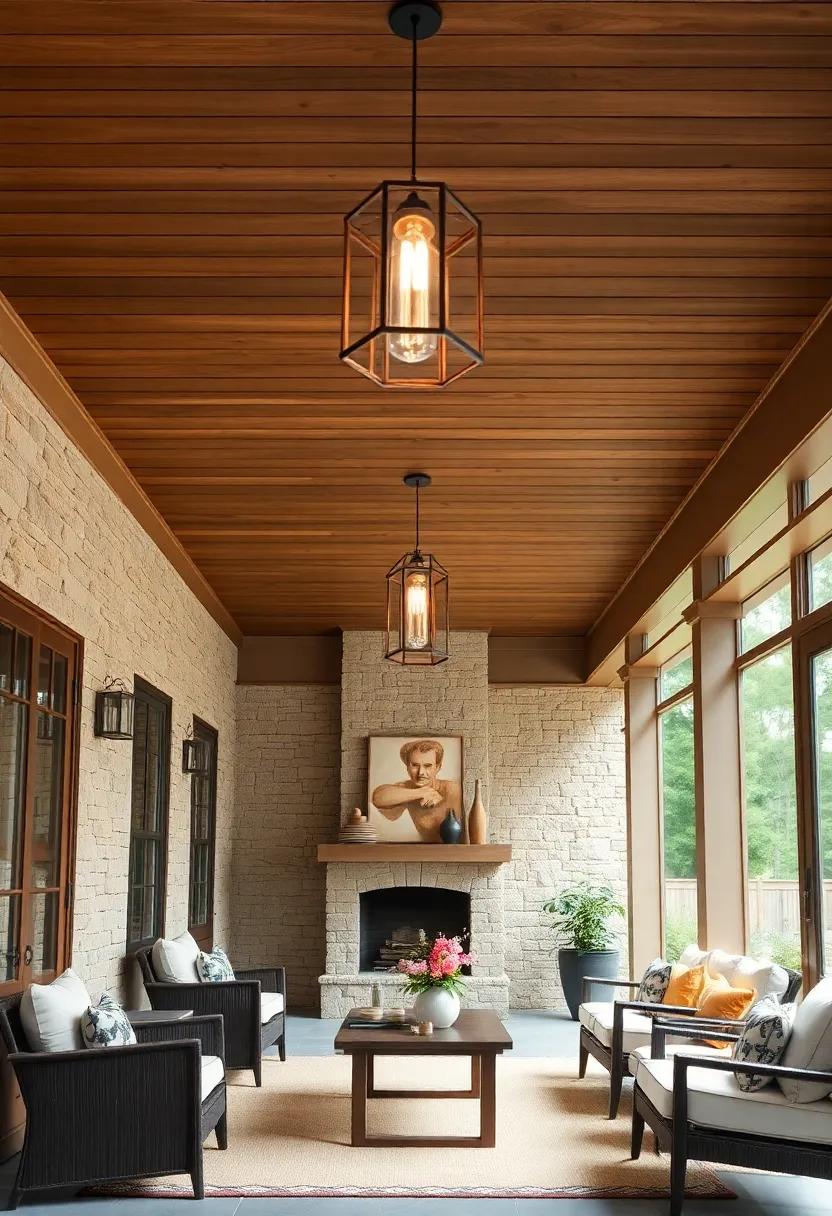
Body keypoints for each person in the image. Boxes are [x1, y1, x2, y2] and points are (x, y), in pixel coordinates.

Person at [372, 739, 462, 842]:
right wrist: (422, 792)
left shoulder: (452, 789)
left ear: (438, 767)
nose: (421, 773)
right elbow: (378, 797)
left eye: (427, 766)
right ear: (407, 767)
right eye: (414, 765)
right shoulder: (408, 788)